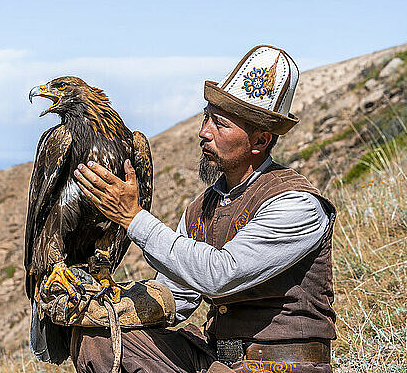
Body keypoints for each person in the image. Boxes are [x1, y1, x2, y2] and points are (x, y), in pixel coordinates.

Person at [72, 45, 337, 373]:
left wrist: (133, 218)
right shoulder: (200, 208)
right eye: (206, 117)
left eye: (220, 124)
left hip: (281, 366)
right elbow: (177, 297)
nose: (203, 132)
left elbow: (220, 276)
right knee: (99, 339)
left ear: (260, 141)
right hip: (216, 361)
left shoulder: (296, 204)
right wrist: (101, 300)